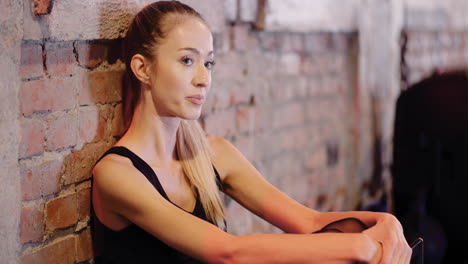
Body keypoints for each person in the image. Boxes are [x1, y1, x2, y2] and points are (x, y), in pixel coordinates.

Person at [91, 1, 411, 263]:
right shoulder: (116, 176)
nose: (203, 78)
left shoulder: (211, 153)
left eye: (209, 63)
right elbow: (229, 252)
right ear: (142, 68)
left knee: (349, 229)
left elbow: (310, 223)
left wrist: (383, 222)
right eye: (188, 60)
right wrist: (359, 249)